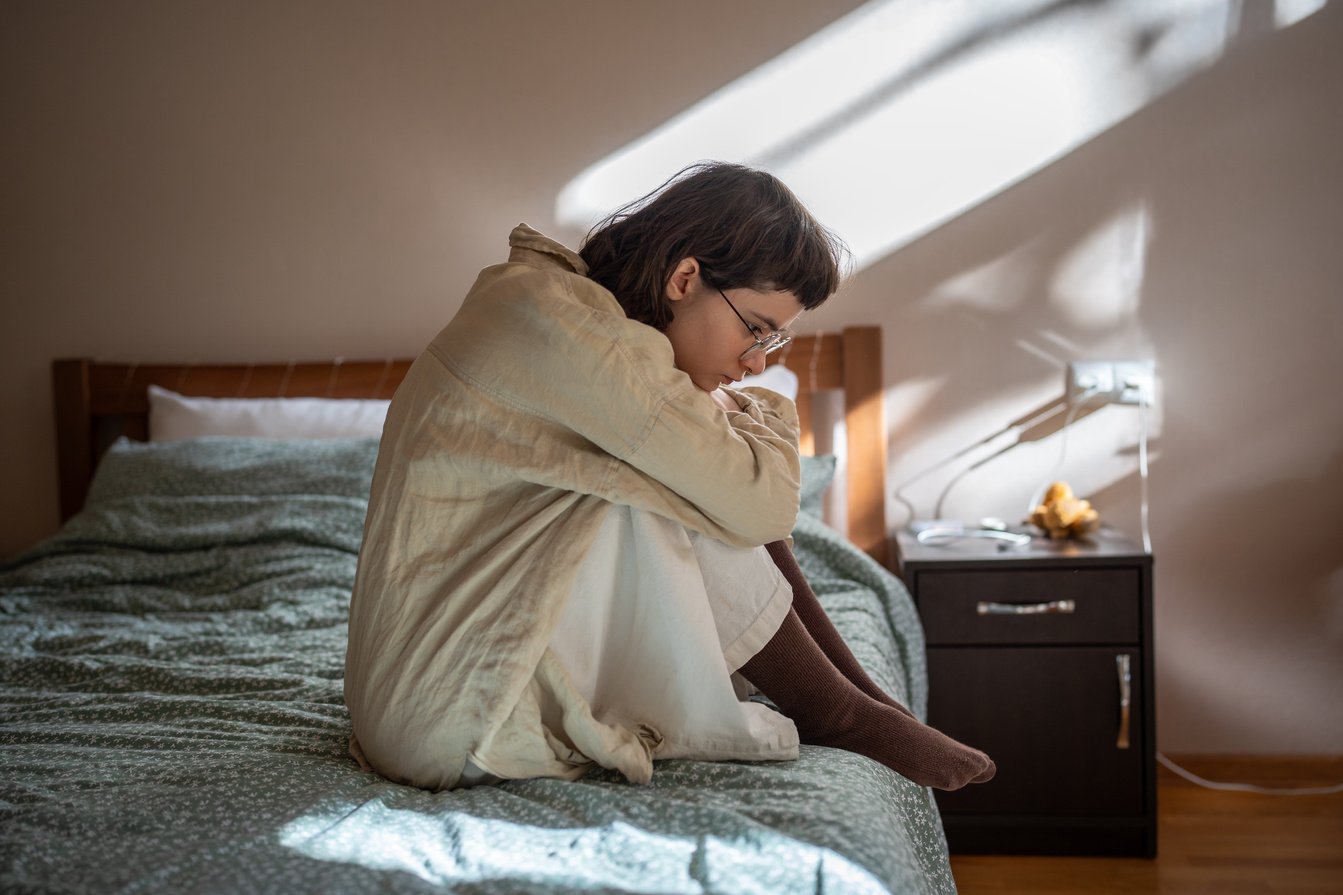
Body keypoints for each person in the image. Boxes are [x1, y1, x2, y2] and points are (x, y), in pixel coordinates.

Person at [343, 162, 995, 792]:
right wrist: (742, 417)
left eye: (773, 345)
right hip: (453, 713)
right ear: (685, 277)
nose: (753, 364)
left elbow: (746, 507)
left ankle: (858, 700)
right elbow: (759, 508)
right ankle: (842, 712)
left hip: (439, 693)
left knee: (693, 477)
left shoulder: (575, 322)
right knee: (685, 487)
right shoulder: (564, 331)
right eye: (756, 329)